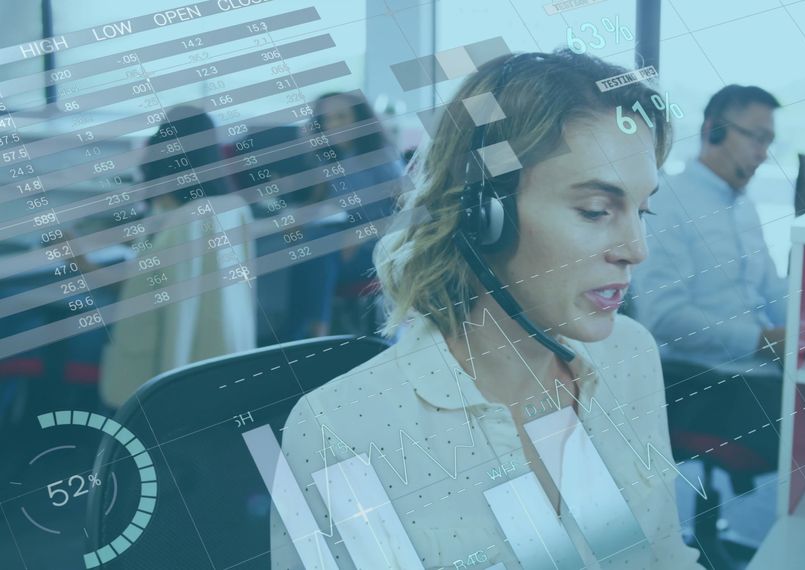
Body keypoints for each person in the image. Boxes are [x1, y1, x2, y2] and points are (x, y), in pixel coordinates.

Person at [271, 51, 705, 569]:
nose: (636, 248)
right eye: (596, 211)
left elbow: (655, 556)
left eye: (643, 210)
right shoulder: (341, 429)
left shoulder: (628, 355)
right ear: (484, 215)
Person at [99, 107, 256, 410]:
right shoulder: (231, 208)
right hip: (218, 359)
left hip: (151, 371)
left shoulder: (177, 219)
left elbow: (131, 287)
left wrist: (73, 256)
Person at [634, 85, 787, 368]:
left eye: (770, 142)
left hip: (766, 368)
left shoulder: (746, 206)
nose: (764, 154)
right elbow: (664, 317)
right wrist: (763, 341)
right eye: (758, 138)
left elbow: (772, 289)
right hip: (708, 378)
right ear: (714, 130)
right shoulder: (667, 203)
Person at [286, 92, 405, 340]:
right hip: (349, 245)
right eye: (327, 120)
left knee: (318, 249)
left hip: (385, 245)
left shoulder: (379, 156)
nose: (334, 126)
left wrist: (362, 233)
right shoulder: (334, 158)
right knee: (312, 243)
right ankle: (311, 330)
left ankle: (310, 333)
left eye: (342, 117)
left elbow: (410, 212)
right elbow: (321, 202)